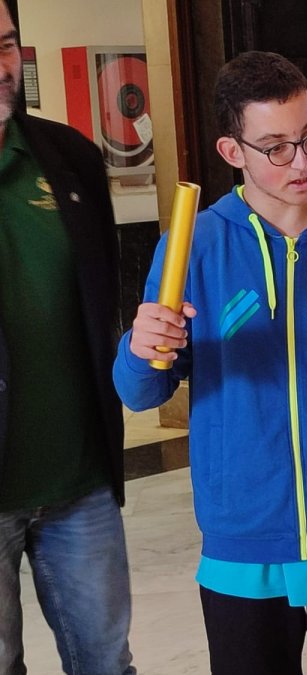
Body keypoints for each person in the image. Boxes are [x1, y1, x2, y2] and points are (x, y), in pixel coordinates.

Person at [113, 51, 307, 675]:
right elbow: (142, 392)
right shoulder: (193, 247)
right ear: (233, 152)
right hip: (241, 547)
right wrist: (139, 345)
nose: (303, 162)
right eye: (276, 147)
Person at [0, 7, 135, 674]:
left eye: (4, 45)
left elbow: (101, 298)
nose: (1, 67)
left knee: (106, 662)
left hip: (79, 482)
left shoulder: (70, 156)